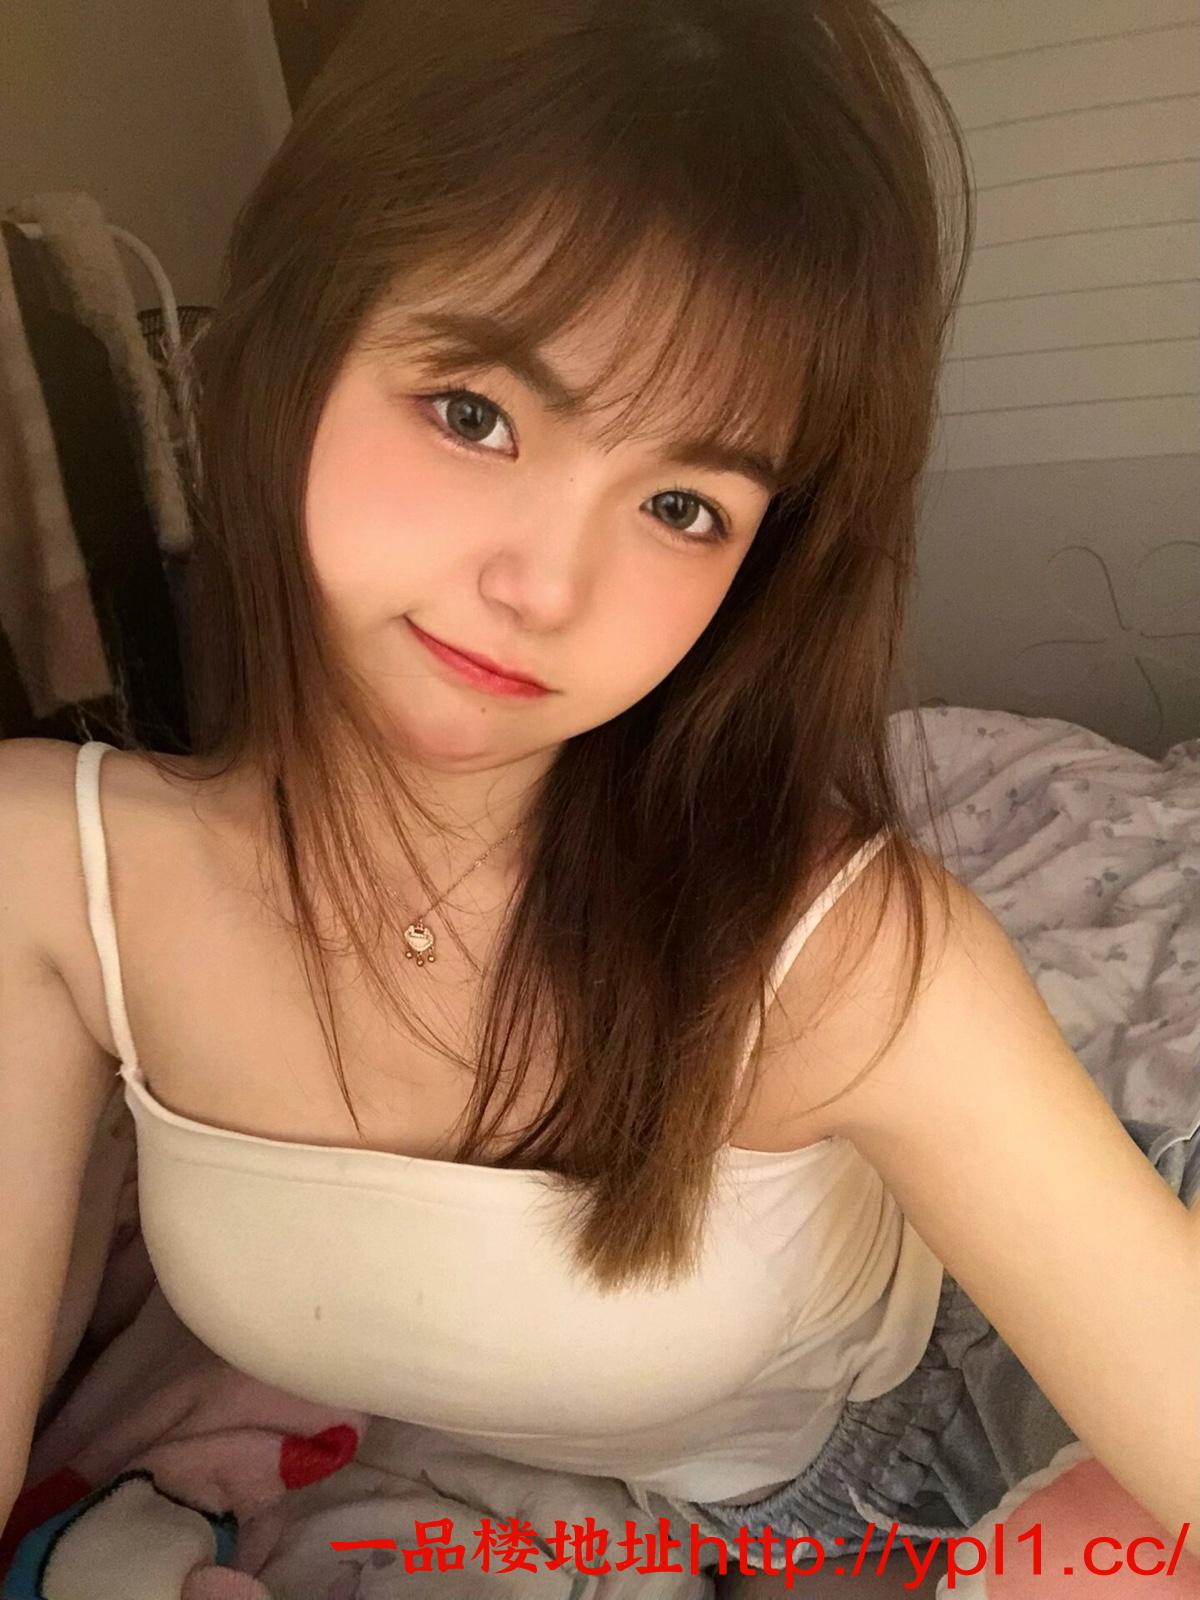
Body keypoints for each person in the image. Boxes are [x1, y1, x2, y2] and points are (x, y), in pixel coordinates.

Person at [1, 0, 1196, 1590]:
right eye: (475, 414)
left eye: (684, 505)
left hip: (938, 1434)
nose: (546, 589)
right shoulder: (49, 875)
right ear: (287, 356)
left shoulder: (847, 959)